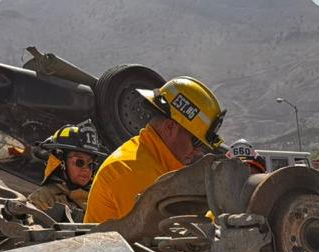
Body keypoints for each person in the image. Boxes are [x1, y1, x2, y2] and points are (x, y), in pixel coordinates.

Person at [85, 76, 226, 223]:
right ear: (170, 128)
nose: (199, 152)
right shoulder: (131, 170)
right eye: (196, 142)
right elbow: (170, 234)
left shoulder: (157, 165)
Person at [27, 121, 106, 220]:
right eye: (79, 162)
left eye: (91, 164)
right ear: (60, 162)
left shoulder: (98, 200)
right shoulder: (43, 199)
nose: (86, 169)